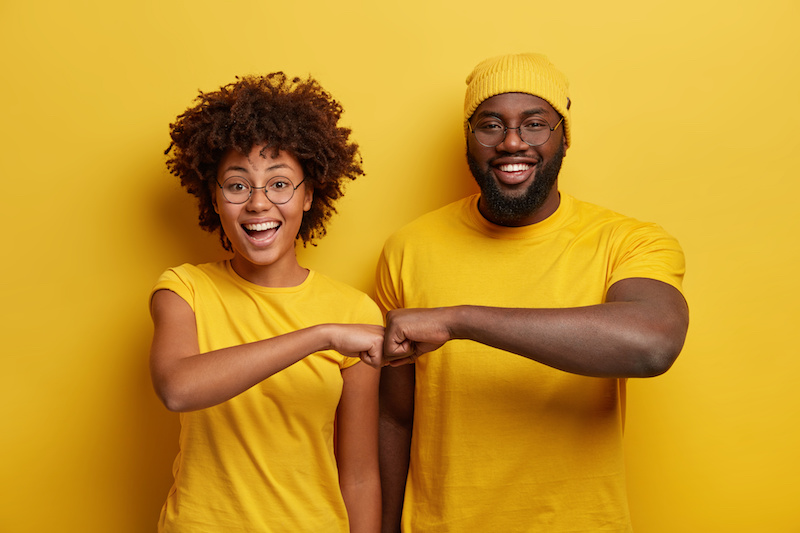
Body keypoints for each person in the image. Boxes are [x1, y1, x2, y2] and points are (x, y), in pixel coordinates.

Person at [376, 53, 689, 532]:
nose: (513, 142)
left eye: (536, 124)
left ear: (564, 137)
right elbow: (395, 418)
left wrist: (459, 321)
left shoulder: (628, 242)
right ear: (469, 139)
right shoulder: (408, 249)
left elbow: (653, 344)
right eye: (490, 124)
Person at [150, 73, 382, 532]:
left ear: (309, 195)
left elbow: (358, 476)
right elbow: (177, 388)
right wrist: (321, 336)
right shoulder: (184, 289)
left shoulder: (356, 312)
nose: (258, 203)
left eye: (279, 184)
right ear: (215, 199)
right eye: (237, 186)